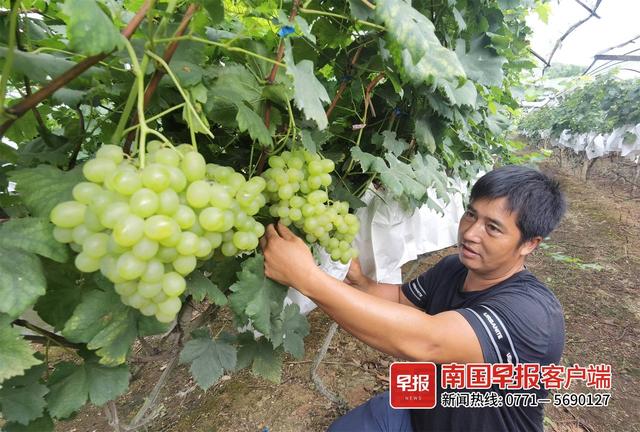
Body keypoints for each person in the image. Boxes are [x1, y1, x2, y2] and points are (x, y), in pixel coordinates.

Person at [260, 165, 567, 432]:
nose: (471, 233)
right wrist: (359, 280)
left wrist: (306, 278)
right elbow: (400, 299)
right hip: (421, 409)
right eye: (471, 214)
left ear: (529, 243)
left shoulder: (531, 314)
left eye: (493, 228)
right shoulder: (454, 267)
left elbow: (427, 341)